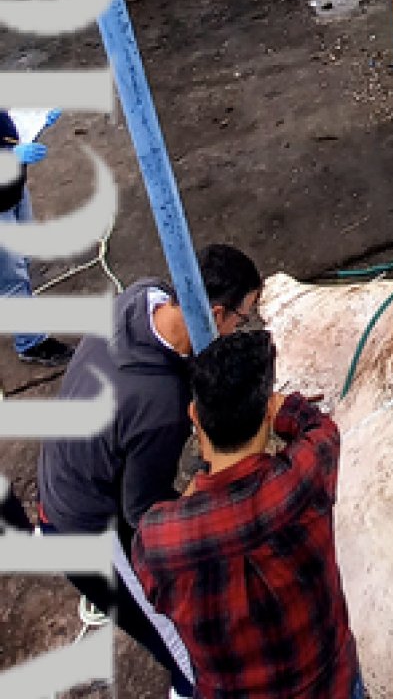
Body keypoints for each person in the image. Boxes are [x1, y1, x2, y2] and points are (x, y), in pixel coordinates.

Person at [37, 243, 263, 699]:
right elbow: (143, 511)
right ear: (215, 313)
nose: (245, 325)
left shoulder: (143, 296)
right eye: (244, 316)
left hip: (63, 471)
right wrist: (212, 516)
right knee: (184, 647)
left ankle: (107, 596)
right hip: (87, 528)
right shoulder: (159, 406)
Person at [133, 331, 363, 698]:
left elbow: (154, 591)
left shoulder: (158, 539)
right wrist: (282, 409)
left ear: (195, 415)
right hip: (331, 683)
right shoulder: (304, 473)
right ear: (267, 411)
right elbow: (320, 427)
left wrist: (198, 485)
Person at [1, 108, 76, 367]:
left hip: (12, 191)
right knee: (13, 279)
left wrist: (35, 118)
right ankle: (31, 343)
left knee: (21, 259)